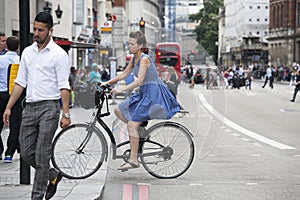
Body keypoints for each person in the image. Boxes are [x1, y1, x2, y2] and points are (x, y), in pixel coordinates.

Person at [3, 12, 71, 200]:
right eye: (35, 29)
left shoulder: (58, 55)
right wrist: (9, 107)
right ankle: (53, 175)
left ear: (50, 31)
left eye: (40, 30)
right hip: (30, 107)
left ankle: (37, 196)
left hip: (49, 108)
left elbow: (64, 86)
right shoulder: (27, 52)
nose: (36, 33)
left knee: (42, 155)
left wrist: (65, 113)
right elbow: (20, 82)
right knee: (25, 152)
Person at [101, 31, 180, 171]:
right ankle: (139, 130)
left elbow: (139, 80)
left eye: (132, 44)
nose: (129, 46)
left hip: (152, 95)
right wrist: (106, 83)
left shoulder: (144, 59)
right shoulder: (134, 59)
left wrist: (121, 89)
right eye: (128, 43)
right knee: (118, 110)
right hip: (143, 93)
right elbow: (123, 75)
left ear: (141, 45)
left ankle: (133, 159)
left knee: (131, 125)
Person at [0, 36, 20, 163]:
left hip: (1, 93)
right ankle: (9, 153)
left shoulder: (1, 60)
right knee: (15, 123)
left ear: (6, 45)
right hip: (15, 94)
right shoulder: (20, 60)